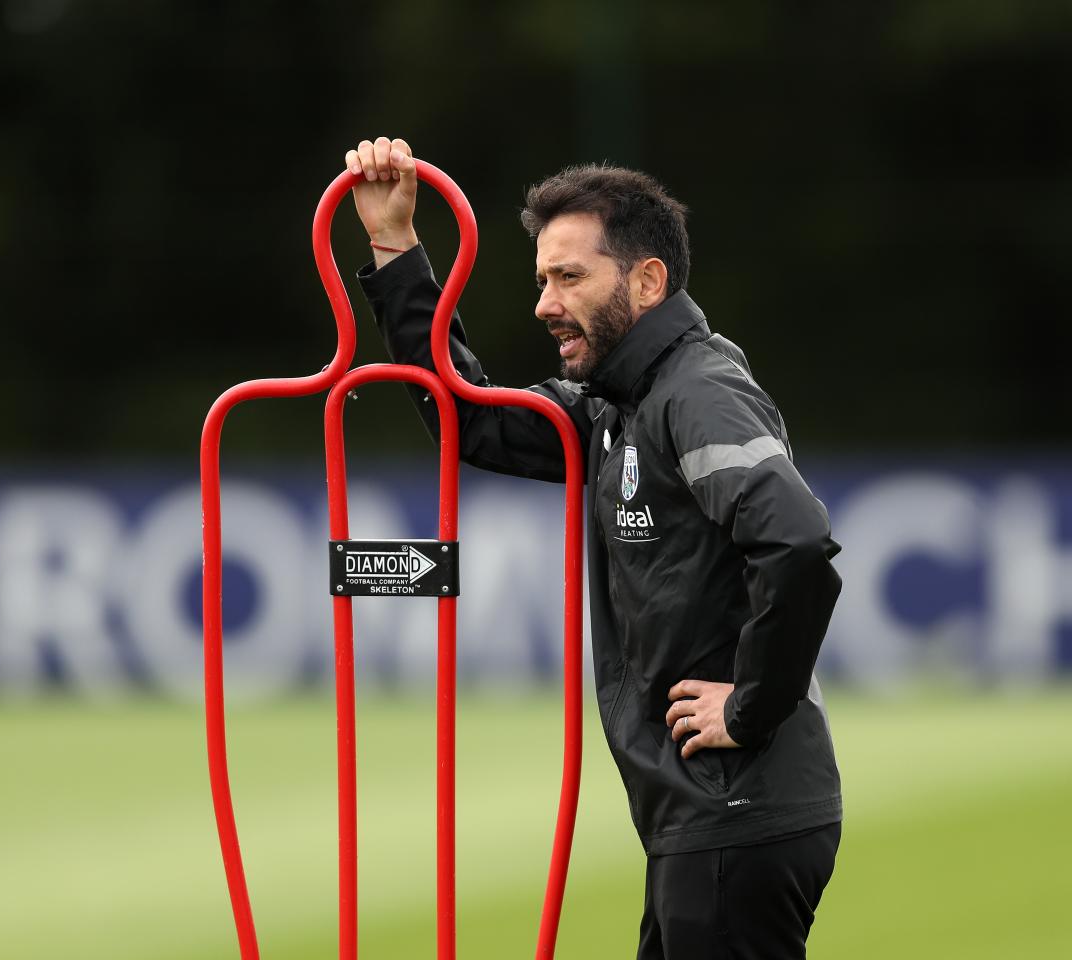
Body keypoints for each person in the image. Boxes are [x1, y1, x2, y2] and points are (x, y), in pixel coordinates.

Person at [344, 136, 844, 959]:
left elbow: (794, 542)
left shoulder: (698, 391)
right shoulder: (613, 406)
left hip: (734, 814)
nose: (544, 302)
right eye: (542, 278)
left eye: (569, 277)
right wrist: (395, 246)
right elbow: (471, 418)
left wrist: (750, 705)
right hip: (704, 820)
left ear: (646, 282)